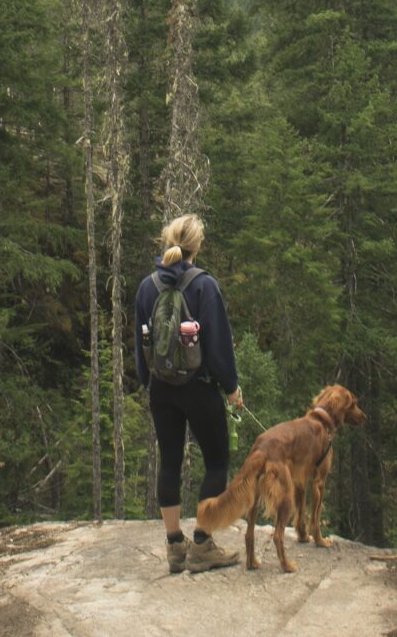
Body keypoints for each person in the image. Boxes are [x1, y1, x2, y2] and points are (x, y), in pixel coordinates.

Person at [135, 214, 243, 573]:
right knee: (215, 463)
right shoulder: (204, 286)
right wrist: (231, 388)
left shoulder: (147, 287)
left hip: (161, 389)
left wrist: (144, 381)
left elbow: (141, 345)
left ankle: (174, 546)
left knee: (169, 462)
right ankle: (202, 543)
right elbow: (218, 347)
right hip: (199, 389)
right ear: (196, 246)